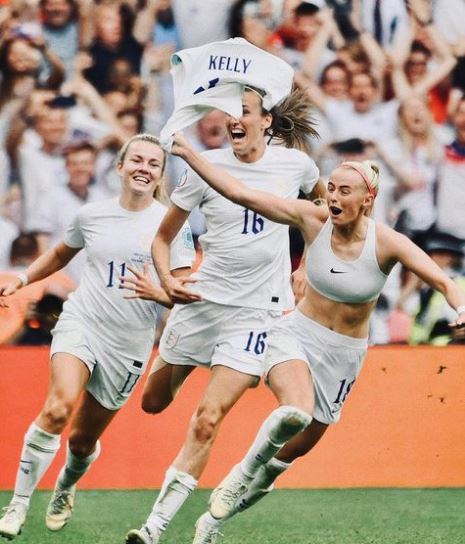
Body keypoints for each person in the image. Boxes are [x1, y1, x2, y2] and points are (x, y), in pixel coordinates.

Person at [166, 133, 465, 543]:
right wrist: (190, 154)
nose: (334, 197)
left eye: (345, 191)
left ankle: (212, 524)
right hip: (296, 336)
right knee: (296, 411)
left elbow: (446, 283)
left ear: (368, 199)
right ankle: (240, 474)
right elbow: (240, 193)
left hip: (344, 355)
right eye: (332, 188)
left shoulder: (388, 243)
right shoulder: (312, 219)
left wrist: (462, 306)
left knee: (290, 454)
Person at [125, 86, 321, 544]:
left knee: (208, 417)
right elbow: (162, 238)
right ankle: (184, 362)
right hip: (200, 302)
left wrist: (307, 265)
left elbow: (325, 213)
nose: (234, 120)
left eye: (244, 112)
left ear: (266, 121)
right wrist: (168, 281)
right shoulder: (205, 168)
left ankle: (153, 529)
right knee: (153, 403)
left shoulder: (296, 165)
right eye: (229, 113)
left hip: (255, 314)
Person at [0, 134, 196, 540]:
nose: (144, 167)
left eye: (153, 163)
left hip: (129, 344)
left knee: (83, 440)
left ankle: (66, 486)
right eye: (136, 160)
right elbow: (59, 255)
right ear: (120, 167)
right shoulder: (92, 215)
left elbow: (183, 296)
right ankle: (17, 504)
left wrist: (155, 292)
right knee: (57, 409)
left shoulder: (171, 225)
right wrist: (21, 279)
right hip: (82, 321)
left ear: (160, 174)